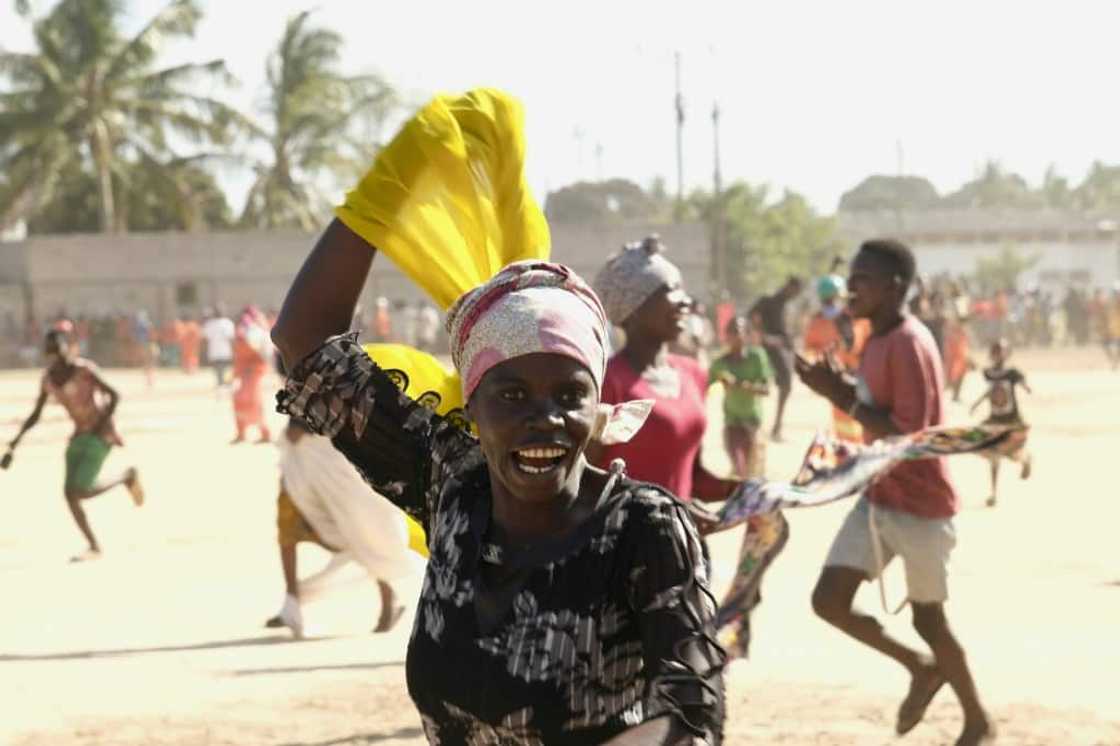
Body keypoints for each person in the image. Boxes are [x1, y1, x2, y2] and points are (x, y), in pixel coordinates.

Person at [270, 89, 724, 745]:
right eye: (512, 396)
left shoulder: (640, 529)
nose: (544, 419)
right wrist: (382, 197)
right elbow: (306, 344)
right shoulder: (453, 487)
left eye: (569, 394)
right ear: (471, 405)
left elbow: (694, 717)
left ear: (597, 399)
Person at [795, 239, 993, 746]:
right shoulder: (876, 338)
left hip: (922, 506)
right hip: (881, 497)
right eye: (851, 277)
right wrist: (842, 388)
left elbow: (907, 434)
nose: (851, 287)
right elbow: (873, 409)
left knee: (930, 619)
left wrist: (837, 395)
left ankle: (978, 720)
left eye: (862, 279)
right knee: (829, 600)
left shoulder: (908, 342)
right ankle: (921, 669)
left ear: (893, 289)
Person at [265, 417, 424, 638]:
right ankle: (291, 604)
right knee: (287, 526)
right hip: (302, 462)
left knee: (362, 531)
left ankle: (389, 598)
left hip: (334, 461)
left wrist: (303, 424)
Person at [3, 330, 144, 561]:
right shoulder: (48, 380)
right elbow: (36, 414)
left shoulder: (84, 370)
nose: (58, 358)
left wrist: (101, 424)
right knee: (70, 494)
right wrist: (14, 445)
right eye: (53, 353)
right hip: (79, 435)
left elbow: (114, 395)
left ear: (66, 349)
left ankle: (125, 477)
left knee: (81, 490)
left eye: (60, 351)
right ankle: (93, 545)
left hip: (100, 435)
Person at [802, 274, 870, 442]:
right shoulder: (818, 322)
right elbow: (811, 349)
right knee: (845, 427)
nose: (830, 304)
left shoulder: (857, 319)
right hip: (839, 379)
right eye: (827, 300)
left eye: (832, 299)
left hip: (862, 377)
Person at [970, 339, 1032, 507]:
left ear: (1007, 354)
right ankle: (993, 493)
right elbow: (992, 390)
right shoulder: (989, 373)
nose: (998, 355)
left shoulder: (1012, 373)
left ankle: (1025, 460)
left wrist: (1025, 386)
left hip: (1011, 420)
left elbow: (1021, 382)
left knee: (1012, 453)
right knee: (993, 456)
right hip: (994, 420)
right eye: (995, 352)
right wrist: (977, 403)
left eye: (1001, 352)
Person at [708, 316, 771, 479]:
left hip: (753, 422)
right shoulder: (720, 364)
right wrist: (721, 384)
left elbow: (766, 390)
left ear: (748, 335)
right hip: (732, 422)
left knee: (754, 474)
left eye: (742, 331)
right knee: (739, 469)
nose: (738, 336)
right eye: (734, 331)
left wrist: (741, 385)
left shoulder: (757, 357)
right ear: (726, 336)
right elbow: (706, 388)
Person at [749, 275, 803, 441]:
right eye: (795, 291)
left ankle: (776, 427)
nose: (795, 295)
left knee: (785, 386)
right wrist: (764, 336)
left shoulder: (787, 306)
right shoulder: (768, 301)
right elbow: (752, 316)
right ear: (789, 287)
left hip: (784, 349)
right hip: (769, 349)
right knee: (760, 386)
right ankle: (755, 427)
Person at [230, 306, 273, 444]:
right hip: (243, 373)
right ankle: (241, 432)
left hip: (252, 373)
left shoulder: (255, 331)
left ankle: (264, 433)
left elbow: (264, 353)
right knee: (239, 401)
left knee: (253, 402)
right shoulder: (249, 330)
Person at [202, 305, 235, 390]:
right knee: (224, 368)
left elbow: (206, 338)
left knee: (219, 368)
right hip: (225, 350)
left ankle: (221, 383)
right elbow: (231, 338)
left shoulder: (210, 324)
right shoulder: (228, 323)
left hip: (215, 350)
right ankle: (223, 383)